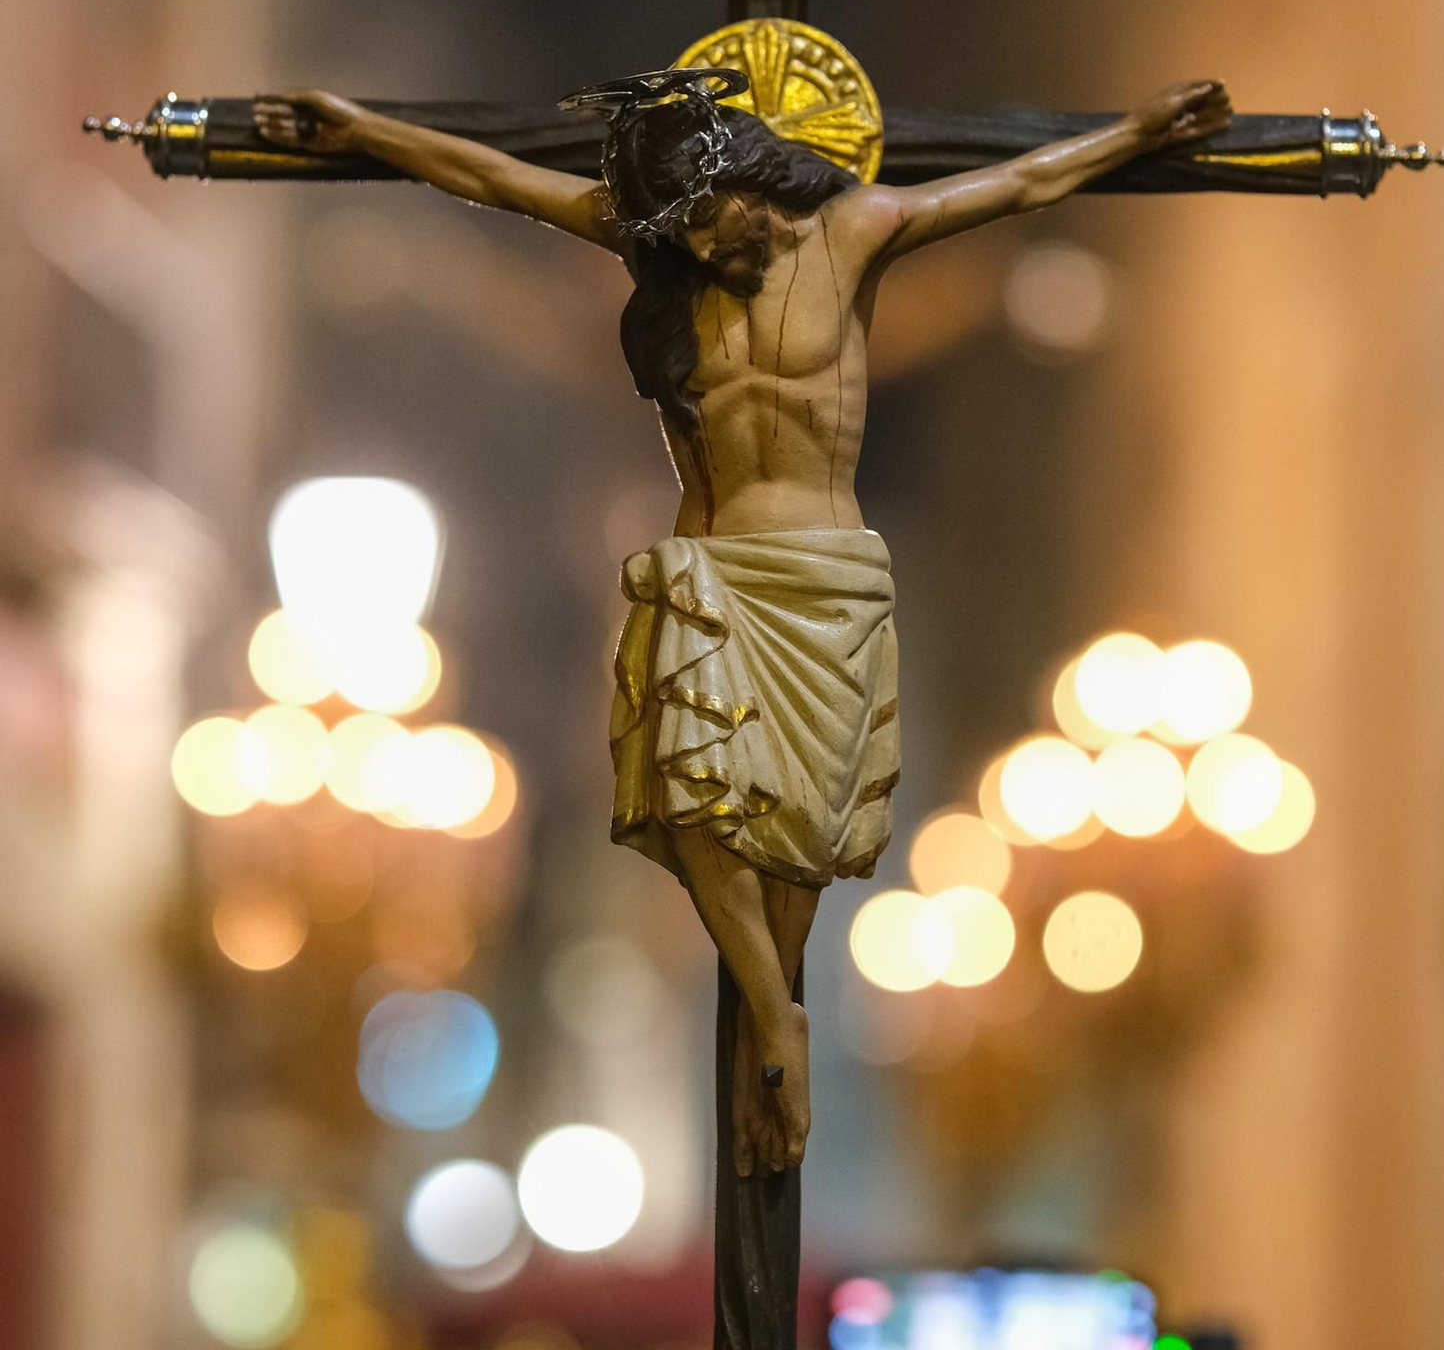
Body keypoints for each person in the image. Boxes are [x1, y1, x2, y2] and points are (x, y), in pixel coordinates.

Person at [255, 67, 1228, 1171]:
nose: (708, 251)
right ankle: (775, 1020)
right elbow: (494, 176)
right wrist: (366, 129)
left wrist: (1137, 133)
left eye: (713, 223)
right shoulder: (668, 256)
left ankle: (778, 1016)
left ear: (750, 180)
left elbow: (1012, 187)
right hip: (714, 567)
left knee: (802, 827)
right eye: (682, 237)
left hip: (822, 572)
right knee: (691, 797)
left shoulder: (858, 230)